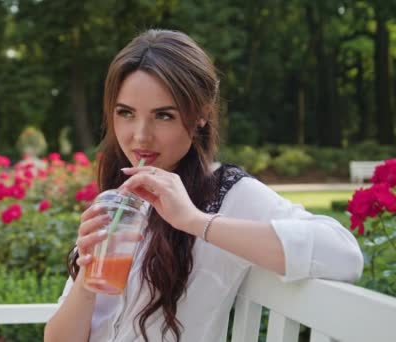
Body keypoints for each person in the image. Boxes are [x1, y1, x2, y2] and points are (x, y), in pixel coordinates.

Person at [44, 29, 363, 342]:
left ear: (201, 114)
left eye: (164, 115)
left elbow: (345, 255)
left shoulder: (226, 192)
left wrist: (194, 221)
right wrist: (87, 274)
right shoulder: (120, 196)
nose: (140, 135)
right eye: (126, 113)